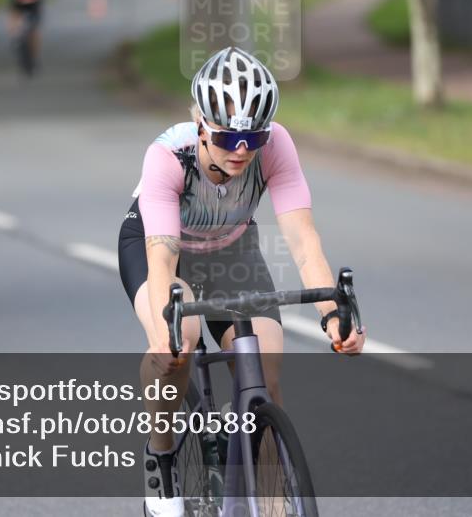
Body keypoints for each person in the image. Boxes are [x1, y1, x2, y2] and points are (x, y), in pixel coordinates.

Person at [117, 46, 366, 515]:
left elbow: (303, 240)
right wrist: (164, 333)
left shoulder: (275, 146)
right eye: (228, 137)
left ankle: (270, 504)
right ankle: (163, 454)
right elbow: (162, 254)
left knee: (265, 373)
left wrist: (332, 314)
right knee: (178, 346)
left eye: (253, 136)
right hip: (161, 245)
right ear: (201, 124)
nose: (242, 150)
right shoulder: (168, 157)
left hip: (231, 246)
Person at [6, 0, 44, 75]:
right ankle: (19, 43)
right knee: (18, 27)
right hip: (20, 8)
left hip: (33, 9)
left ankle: (35, 57)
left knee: (34, 32)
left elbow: (38, 9)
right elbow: (13, 13)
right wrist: (12, 29)